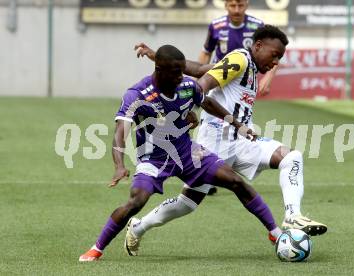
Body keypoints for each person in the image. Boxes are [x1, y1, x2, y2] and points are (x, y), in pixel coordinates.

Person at [126, 25, 327, 257]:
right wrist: (187, 109)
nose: (276, 63)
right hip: (213, 142)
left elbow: (201, 68)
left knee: (291, 157)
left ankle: (292, 216)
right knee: (187, 202)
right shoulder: (240, 59)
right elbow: (202, 85)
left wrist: (154, 55)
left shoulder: (249, 68)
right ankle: (138, 227)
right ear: (258, 46)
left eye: (280, 58)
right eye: (275, 55)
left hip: (240, 141)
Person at [78, 45, 282, 262]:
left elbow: (209, 103)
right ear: (159, 69)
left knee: (234, 180)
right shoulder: (137, 95)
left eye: (182, 70)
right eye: (176, 72)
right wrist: (119, 165)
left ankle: (276, 233)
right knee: (136, 201)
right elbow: (120, 133)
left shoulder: (187, 85)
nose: (181, 76)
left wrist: (238, 125)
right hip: (153, 158)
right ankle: (97, 248)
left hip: (187, 152)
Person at [200, 0, 276, 195]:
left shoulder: (257, 26)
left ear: (247, 4)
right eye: (232, 5)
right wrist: (199, 80)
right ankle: (207, 173)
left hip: (241, 87)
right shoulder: (216, 26)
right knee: (213, 126)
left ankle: (216, 171)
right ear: (225, 5)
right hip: (219, 84)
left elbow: (273, 53)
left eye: (240, 5)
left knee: (238, 127)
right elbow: (206, 53)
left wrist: (268, 76)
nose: (236, 10)